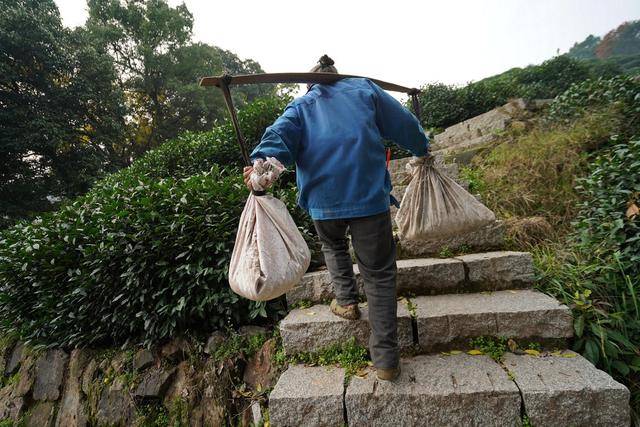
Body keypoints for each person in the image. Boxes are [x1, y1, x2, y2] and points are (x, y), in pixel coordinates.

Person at [243, 55, 429, 381]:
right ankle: (385, 358)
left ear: (310, 83)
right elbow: (404, 123)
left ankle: (345, 301)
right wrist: (421, 148)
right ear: (338, 77)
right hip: (368, 197)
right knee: (379, 274)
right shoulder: (364, 91)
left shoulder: (302, 105)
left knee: (334, 246)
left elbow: (278, 138)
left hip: (323, 202)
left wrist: (261, 171)